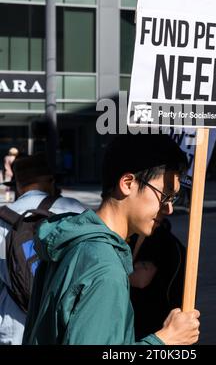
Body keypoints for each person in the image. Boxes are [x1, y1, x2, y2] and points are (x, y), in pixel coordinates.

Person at [23, 134, 200, 345]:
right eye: (165, 195)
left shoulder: (72, 240)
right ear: (127, 183)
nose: (169, 208)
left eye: (174, 198)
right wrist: (165, 340)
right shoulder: (105, 268)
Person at [0, 153, 85, 345]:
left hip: (15, 329)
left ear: (19, 185)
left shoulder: (3, 219)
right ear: (51, 181)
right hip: (63, 326)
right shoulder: (75, 211)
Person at [129, 218, 186, 340]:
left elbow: (140, 280)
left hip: (153, 317)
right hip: (157, 315)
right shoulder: (159, 237)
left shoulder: (156, 238)